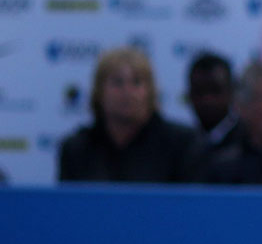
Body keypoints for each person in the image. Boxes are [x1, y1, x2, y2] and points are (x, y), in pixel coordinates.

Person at [58, 47, 204, 183]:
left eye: (137, 82)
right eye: (117, 82)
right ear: (99, 92)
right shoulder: (76, 149)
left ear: (150, 91)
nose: (127, 92)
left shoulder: (182, 145)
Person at [185, 51, 240, 150]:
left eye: (215, 91)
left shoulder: (250, 142)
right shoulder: (182, 144)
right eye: (199, 91)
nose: (207, 100)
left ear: (231, 92)